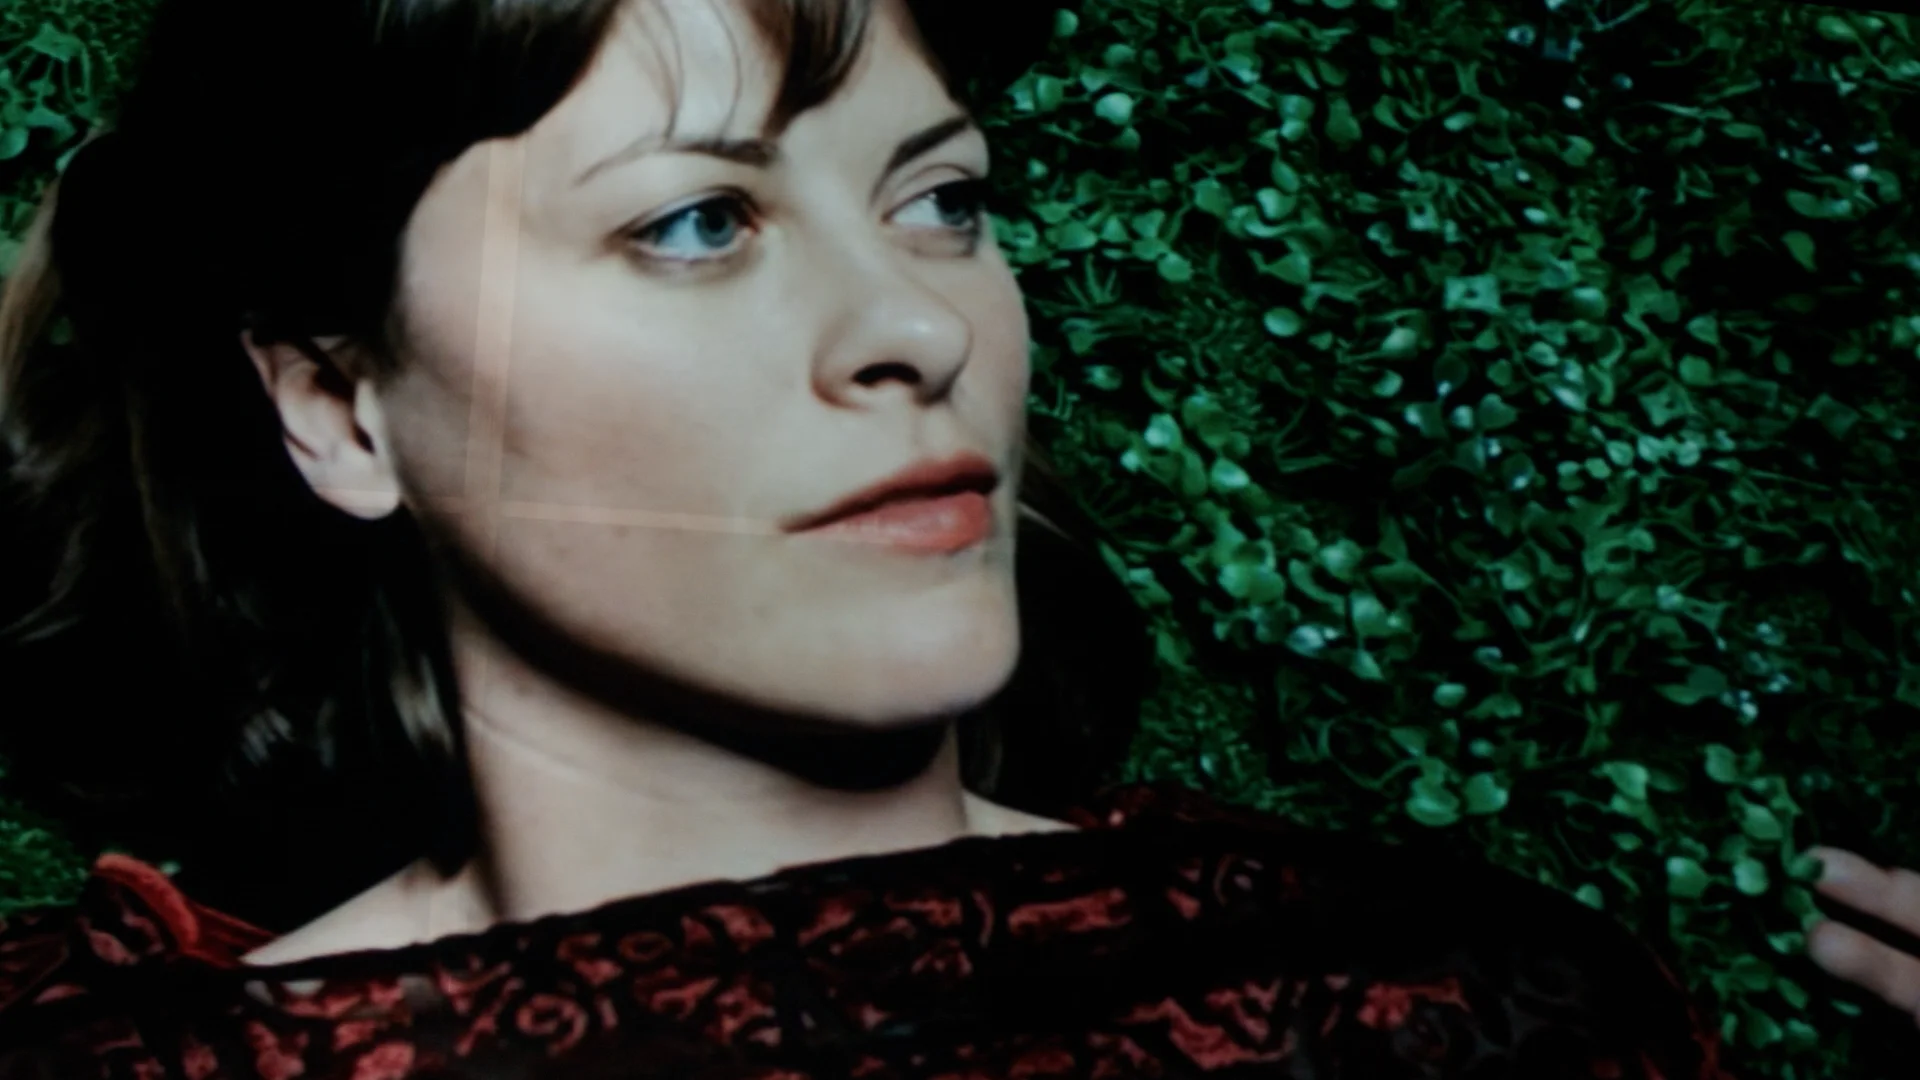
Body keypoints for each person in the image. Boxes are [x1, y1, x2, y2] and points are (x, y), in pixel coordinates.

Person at [0, 0, 1735, 1075]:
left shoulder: (1454, 1009)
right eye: (696, 221)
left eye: (943, 200)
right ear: (340, 405)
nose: (914, 323)